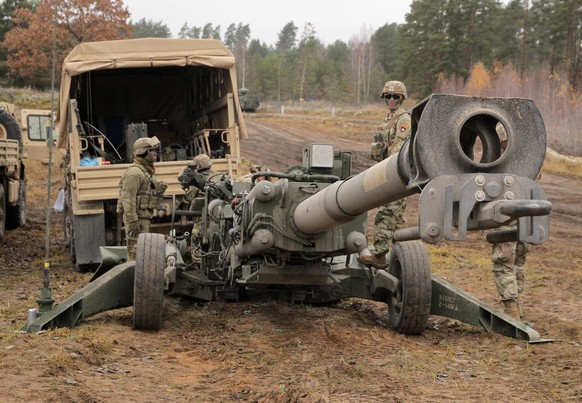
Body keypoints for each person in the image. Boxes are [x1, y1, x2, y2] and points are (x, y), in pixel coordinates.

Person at [358, 81, 411, 269]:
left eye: (395, 97)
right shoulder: (388, 118)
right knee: (396, 218)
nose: (391, 100)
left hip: (394, 173)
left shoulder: (403, 119)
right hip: (386, 171)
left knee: (386, 212)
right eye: (388, 97)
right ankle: (402, 255)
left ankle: (380, 254)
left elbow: (398, 149)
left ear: (402, 98)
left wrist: (388, 175)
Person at [117, 136, 167, 260]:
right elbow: (128, 199)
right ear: (144, 152)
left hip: (143, 218)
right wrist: (133, 222)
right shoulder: (134, 173)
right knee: (136, 254)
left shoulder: (145, 171)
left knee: (143, 253)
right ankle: (133, 277)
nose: (156, 153)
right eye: (152, 150)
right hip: (137, 220)